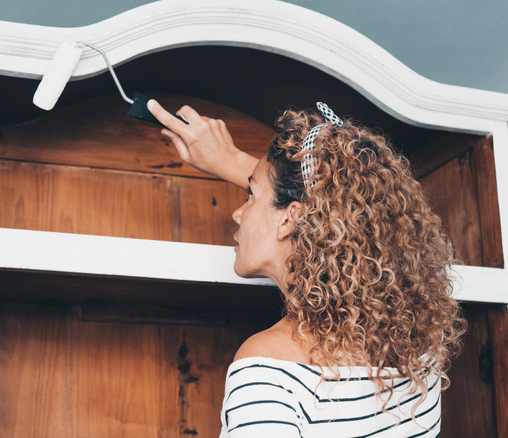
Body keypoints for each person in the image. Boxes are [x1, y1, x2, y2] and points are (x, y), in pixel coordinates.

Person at [147, 99, 466, 437]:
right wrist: (230, 161)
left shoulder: (270, 366)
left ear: (291, 219)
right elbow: (331, 194)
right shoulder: (420, 352)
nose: (237, 214)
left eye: (250, 195)